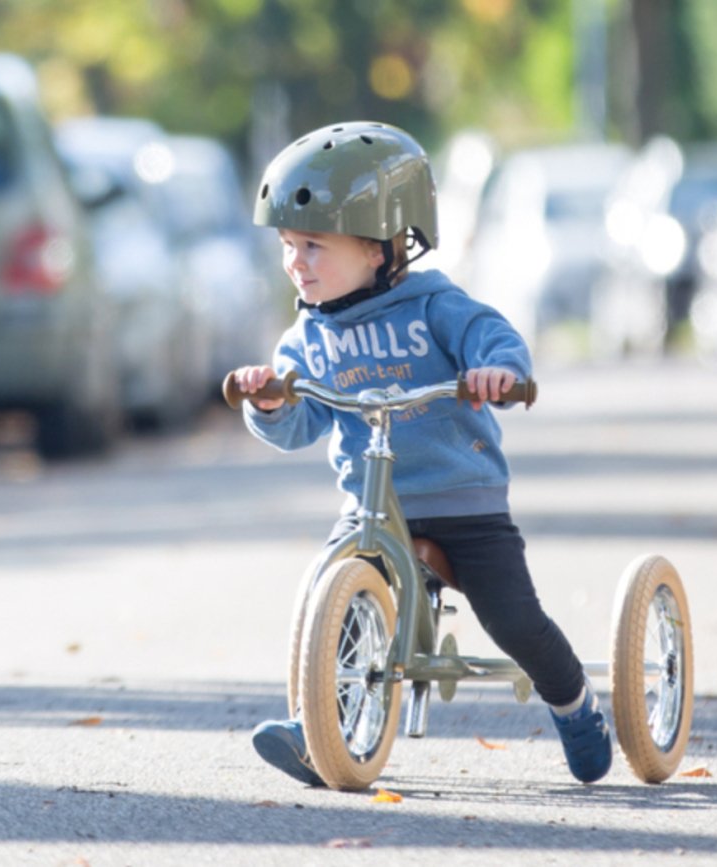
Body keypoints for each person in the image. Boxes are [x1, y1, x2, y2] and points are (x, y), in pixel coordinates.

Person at [233, 121, 611, 786]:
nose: (297, 262)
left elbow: (492, 338)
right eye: (290, 246)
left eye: (315, 245)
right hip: (372, 505)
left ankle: (576, 705)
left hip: (461, 499)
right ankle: (321, 730)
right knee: (334, 592)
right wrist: (269, 403)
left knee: (514, 619)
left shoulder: (434, 304)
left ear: (381, 247)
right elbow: (302, 421)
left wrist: (494, 371)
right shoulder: (308, 334)